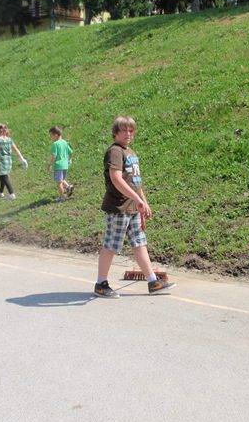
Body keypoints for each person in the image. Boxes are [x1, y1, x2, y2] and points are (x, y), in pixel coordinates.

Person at [94, 116, 176, 298]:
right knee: (111, 245)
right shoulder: (115, 151)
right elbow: (116, 178)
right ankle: (101, 284)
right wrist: (136, 198)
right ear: (115, 133)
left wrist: (143, 201)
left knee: (140, 243)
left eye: (131, 130)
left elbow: (136, 182)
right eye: (124, 130)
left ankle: (153, 281)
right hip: (119, 207)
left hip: (133, 207)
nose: (128, 134)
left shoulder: (130, 152)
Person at [46, 125, 74, 203]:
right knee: (61, 179)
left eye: (51, 135)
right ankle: (68, 187)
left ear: (55, 135)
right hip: (65, 165)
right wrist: (69, 160)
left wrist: (50, 165)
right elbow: (71, 152)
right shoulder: (65, 142)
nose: (50, 137)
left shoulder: (55, 144)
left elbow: (54, 156)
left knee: (59, 182)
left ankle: (62, 198)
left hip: (58, 165)